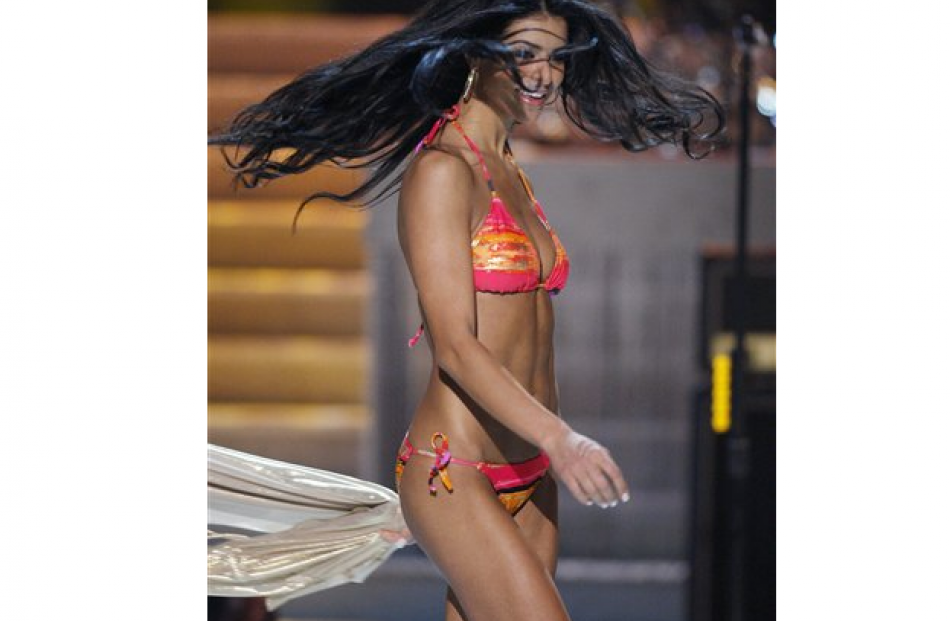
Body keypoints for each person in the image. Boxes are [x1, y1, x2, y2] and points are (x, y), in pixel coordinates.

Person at [209, 1, 723, 619]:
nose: (545, 75)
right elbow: (454, 346)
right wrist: (562, 439)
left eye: (557, 58)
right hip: (456, 473)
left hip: (530, 474)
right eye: (524, 54)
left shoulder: (510, 168)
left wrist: (547, 451)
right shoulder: (441, 171)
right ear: (476, 54)